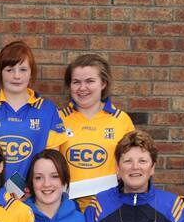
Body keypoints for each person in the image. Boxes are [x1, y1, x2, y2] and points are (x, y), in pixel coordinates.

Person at [0, 41, 69, 196]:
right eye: (10, 69)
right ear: (0, 72)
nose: (17, 76)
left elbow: (52, 161)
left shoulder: (47, 110)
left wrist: (34, 188)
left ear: (31, 72)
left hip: (35, 197)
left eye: (23, 69)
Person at [57, 54, 135, 205]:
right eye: (76, 82)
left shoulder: (121, 120)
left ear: (103, 83)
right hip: (68, 209)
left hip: (111, 208)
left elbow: (132, 164)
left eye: (90, 81)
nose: (82, 88)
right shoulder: (58, 119)